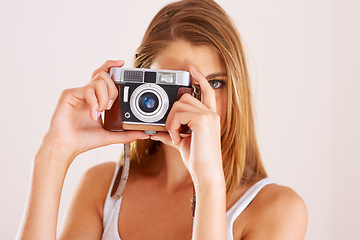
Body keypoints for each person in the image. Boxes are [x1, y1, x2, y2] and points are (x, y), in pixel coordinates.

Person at [17, 0, 308, 239]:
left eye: (214, 84)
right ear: (140, 86)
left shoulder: (278, 209)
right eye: (174, 86)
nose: (195, 102)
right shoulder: (102, 187)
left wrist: (208, 182)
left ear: (236, 91)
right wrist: (54, 152)